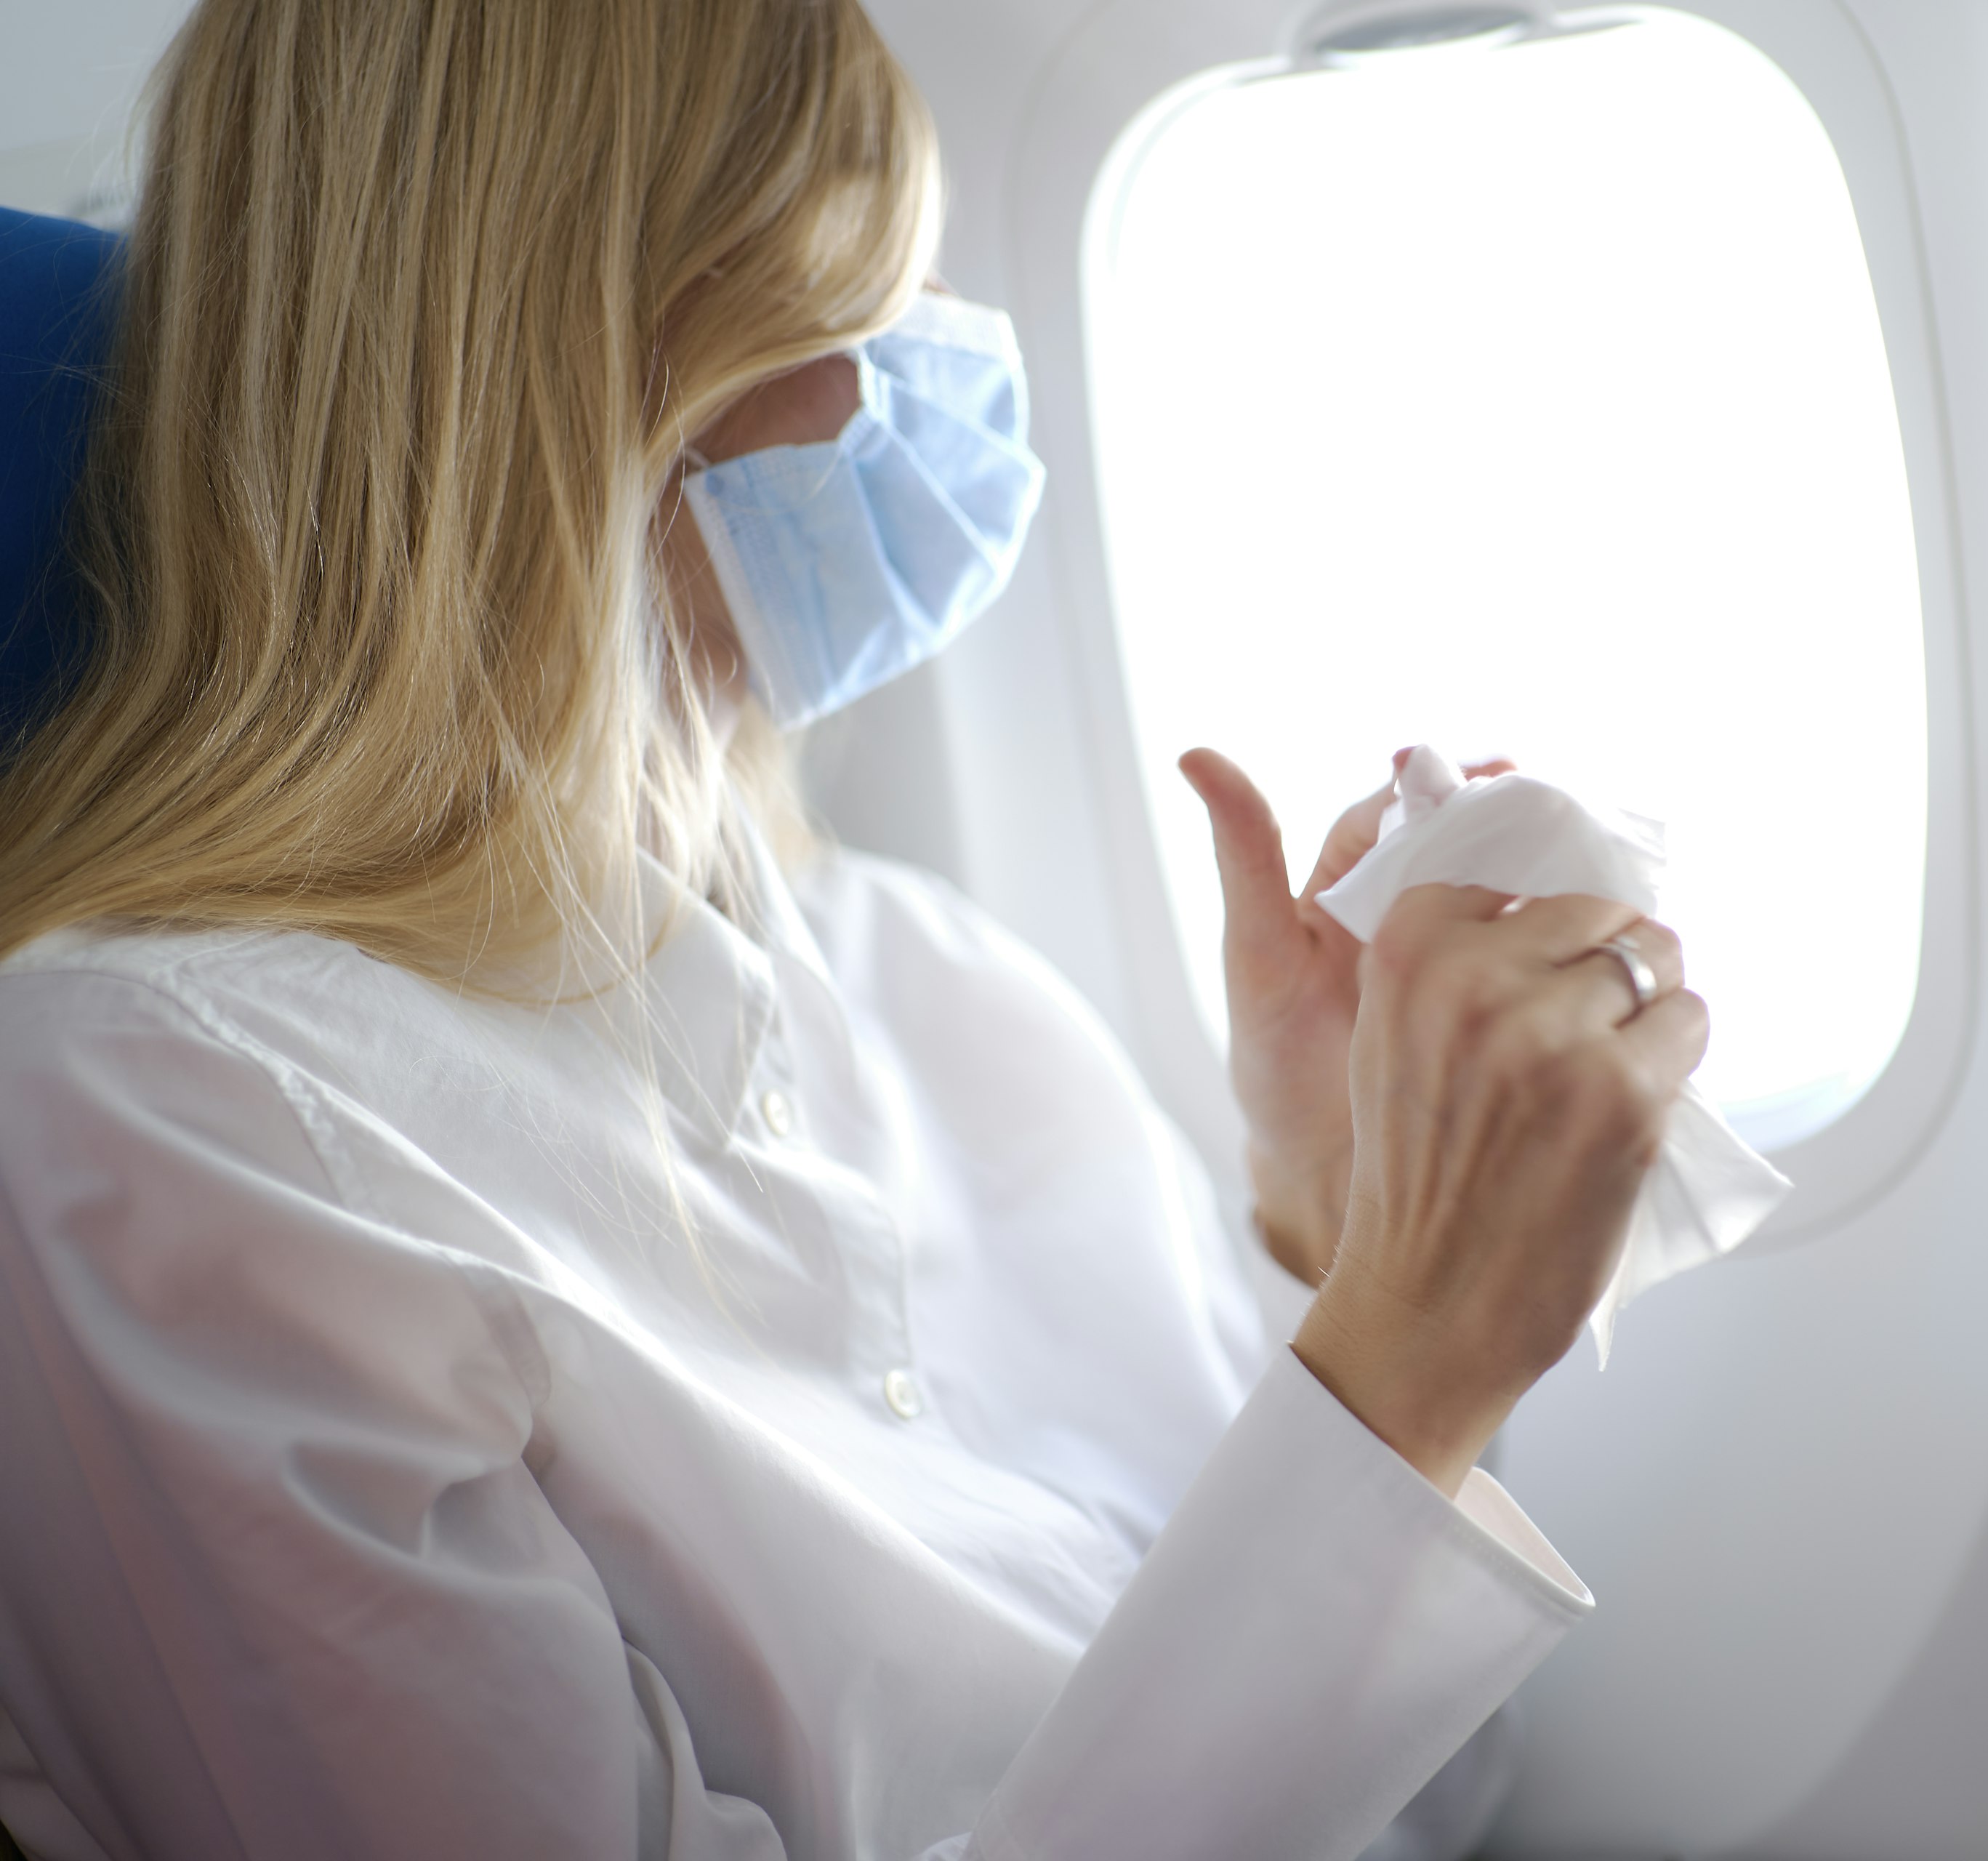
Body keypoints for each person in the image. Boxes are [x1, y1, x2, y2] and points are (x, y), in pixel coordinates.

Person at [0, 2, 1710, 1857]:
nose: (920, 400)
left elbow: (1426, 1799)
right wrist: (1411, 1363)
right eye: (862, 306)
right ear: (596, 374)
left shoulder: (917, 969)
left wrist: (1337, 1218)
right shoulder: (165, 1121)